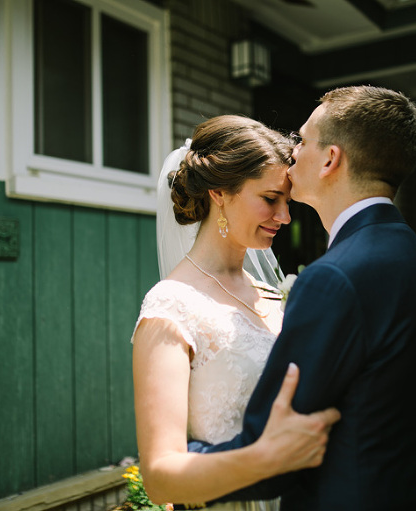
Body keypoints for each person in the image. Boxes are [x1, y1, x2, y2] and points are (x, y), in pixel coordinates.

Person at [194, 86, 416, 510]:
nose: (292, 152)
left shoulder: (334, 278)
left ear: (331, 159)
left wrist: (186, 466)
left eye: (301, 140)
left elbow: (272, 452)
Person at [131, 115, 341, 510]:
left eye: (287, 201)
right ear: (219, 194)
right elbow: (159, 479)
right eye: (269, 199)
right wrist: (269, 459)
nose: (285, 217)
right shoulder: (170, 308)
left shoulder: (274, 295)